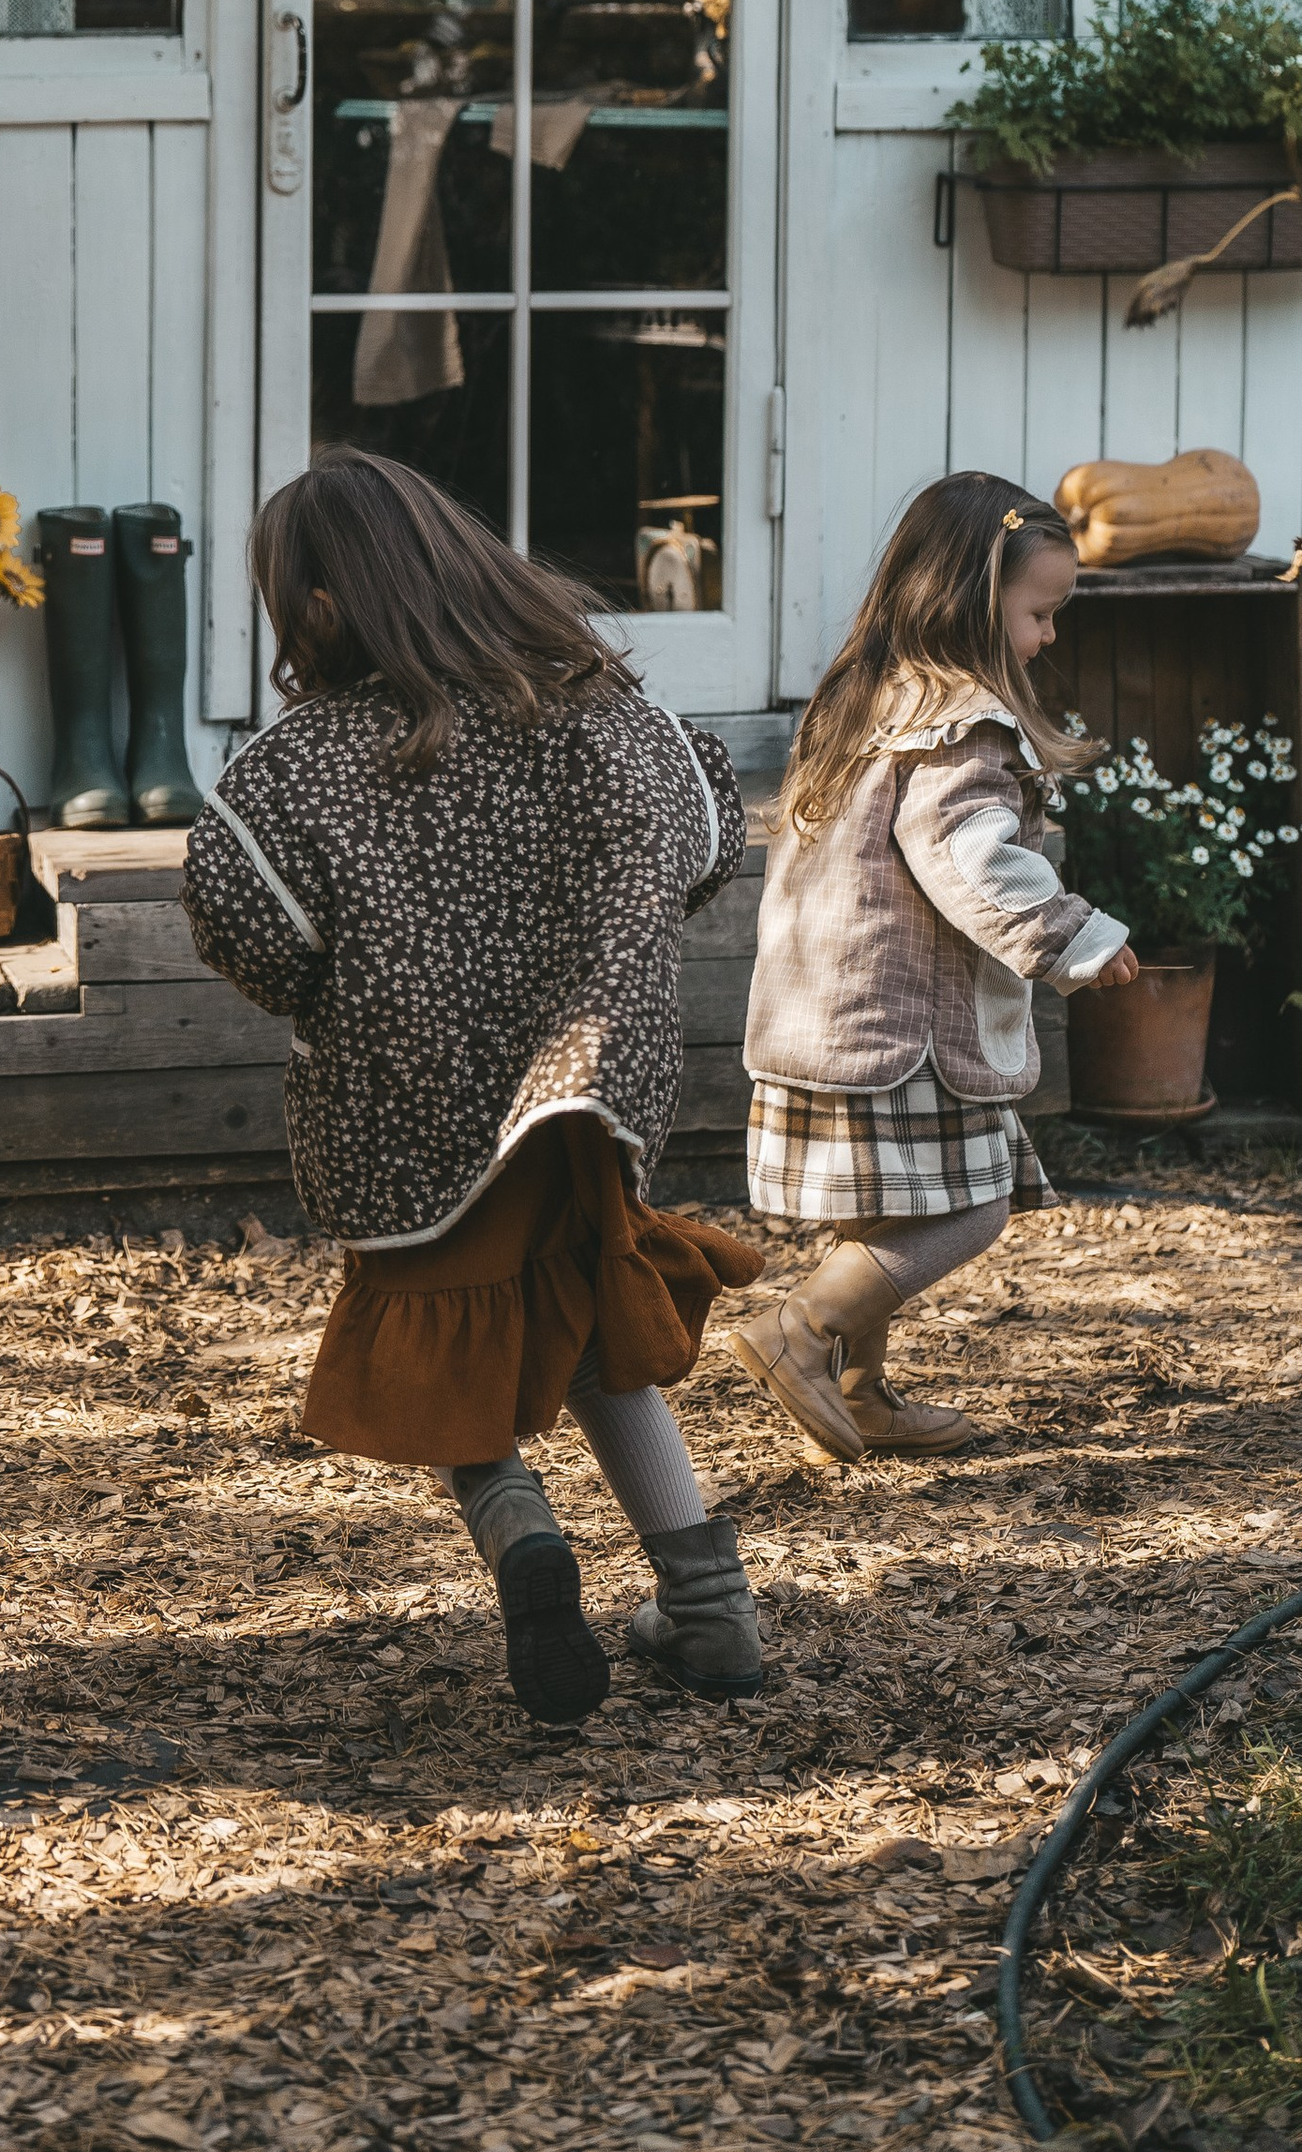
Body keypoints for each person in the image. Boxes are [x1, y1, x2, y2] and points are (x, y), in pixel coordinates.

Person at [181, 448, 768, 1729]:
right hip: (584, 1099)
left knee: (433, 1325)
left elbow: (255, 934)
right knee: (599, 1339)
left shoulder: (292, 775)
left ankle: (517, 1534)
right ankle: (710, 1607)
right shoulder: (613, 722)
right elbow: (708, 850)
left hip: (407, 1117)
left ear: (319, 611)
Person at [732, 473, 1135, 1465]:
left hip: (832, 1011)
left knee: (890, 1209)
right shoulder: (958, 718)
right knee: (971, 1206)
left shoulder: (867, 697)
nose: (1046, 637)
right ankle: (803, 1333)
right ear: (967, 597)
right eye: (1038, 612)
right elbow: (967, 856)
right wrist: (1075, 934)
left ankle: (861, 1392)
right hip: (899, 1022)